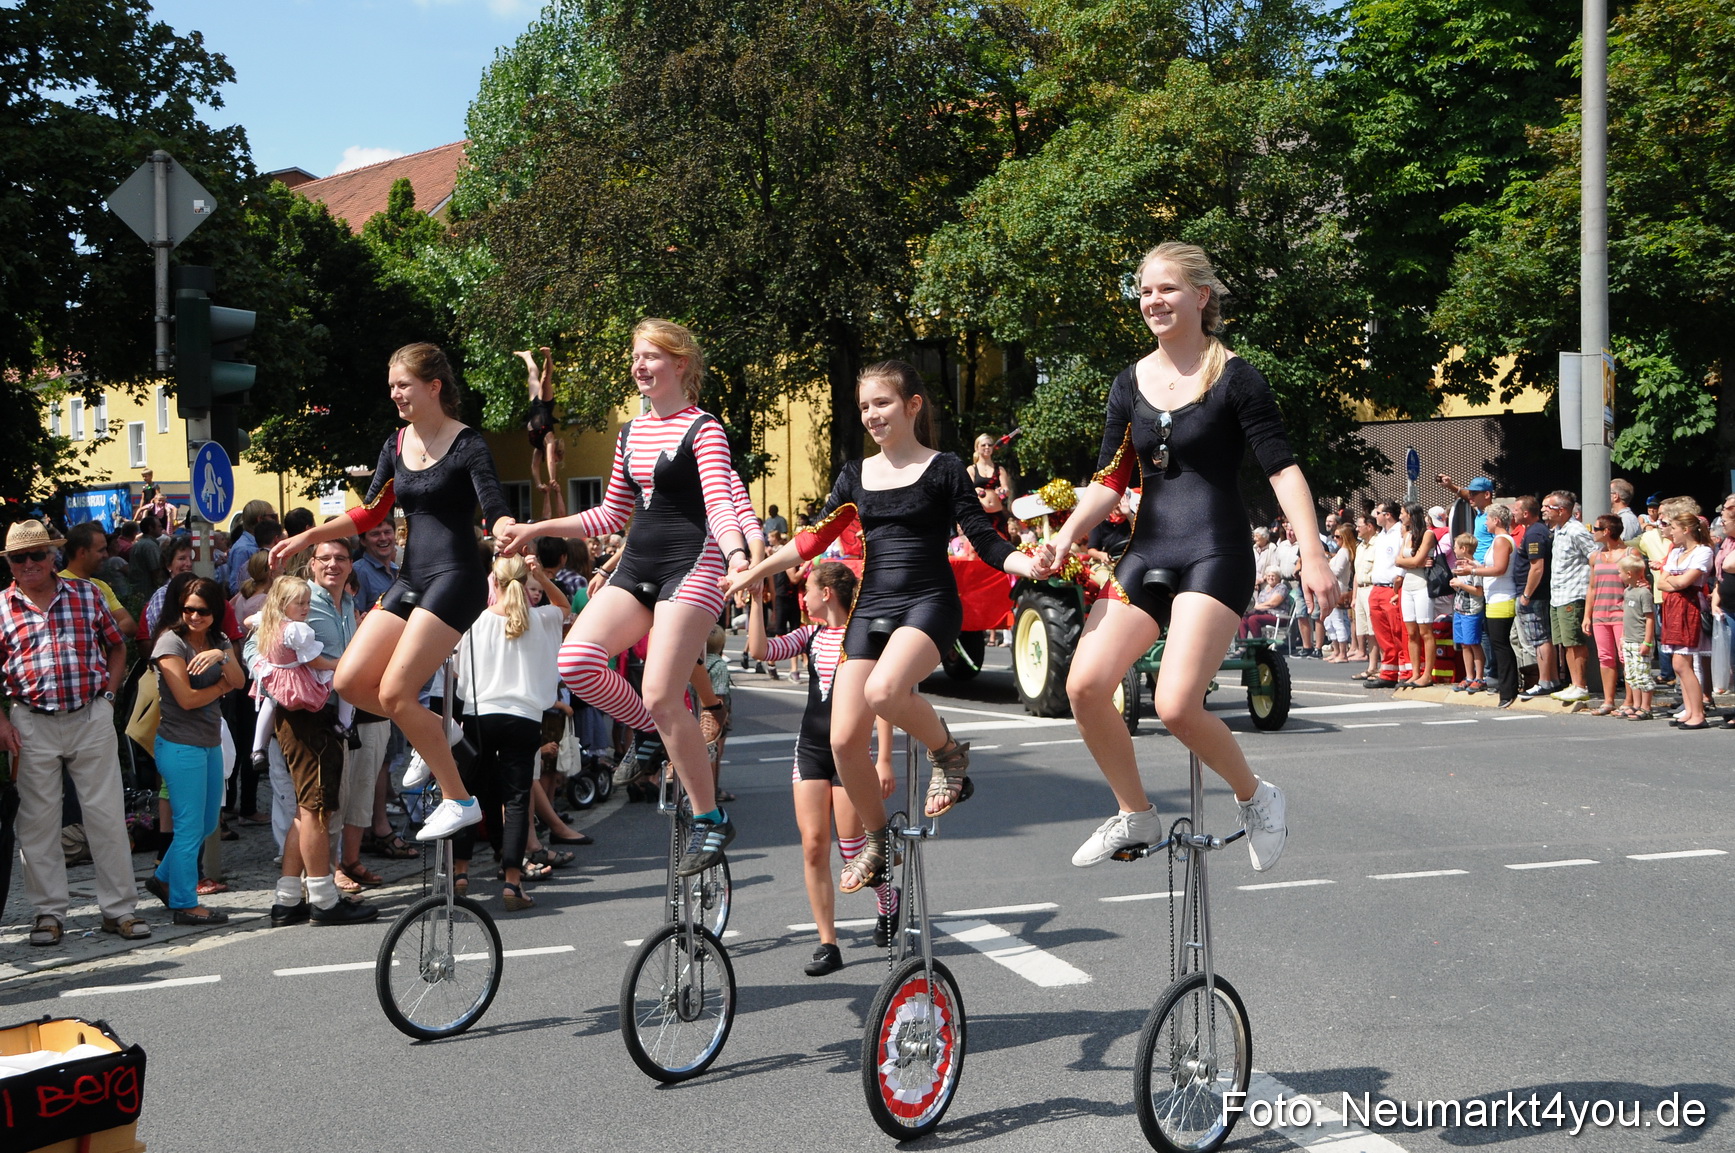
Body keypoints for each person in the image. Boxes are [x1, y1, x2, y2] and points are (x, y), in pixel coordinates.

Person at [1043, 242, 1332, 871]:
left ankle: (1257, 796)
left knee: (1175, 705)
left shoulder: (1236, 376)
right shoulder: (1130, 382)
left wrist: (1312, 553)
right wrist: (1068, 534)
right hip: (1148, 550)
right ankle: (1134, 812)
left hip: (1215, 551)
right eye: (1145, 291)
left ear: (1202, 296)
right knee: (1085, 685)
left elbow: (1282, 470)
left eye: (1167, 289)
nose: (1153, 301)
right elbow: (1109, 477)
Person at [724, 358, 1047, 892]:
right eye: (865, 407)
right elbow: (811, 539)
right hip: (872, 606)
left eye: (883, 403)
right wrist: (754, 572)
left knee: (885, 690)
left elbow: (985, 541)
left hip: (929, 604)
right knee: (842, 737)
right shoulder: (855, 474)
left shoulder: (945, 468)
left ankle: (948, 752)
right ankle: (877, 841)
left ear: (912, 405)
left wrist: (1025, 563)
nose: (872, 415)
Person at [496, 319, 748, 877]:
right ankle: (654, 735)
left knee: (661, 690)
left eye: (651, 356)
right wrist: (537, 530)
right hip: (640, 562)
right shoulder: (630, 434)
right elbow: (610, 515)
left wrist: (734, 555)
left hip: (696, 562)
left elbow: (721, 505)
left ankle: (710, 820)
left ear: (680, 364)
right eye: (635, 357)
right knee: (577, 659)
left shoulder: (704, 429)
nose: (639, 366)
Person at [269, 342, 517, 846]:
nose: (395, 395)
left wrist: (510, 527)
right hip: (412, 576)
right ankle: (437, 733)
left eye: (403, 385)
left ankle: (460, 800)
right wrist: (310, 535)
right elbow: (370, 512)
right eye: (391, 387)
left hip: (457, 577)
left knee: (396, 693)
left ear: (433, 387)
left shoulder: (468, 444)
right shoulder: (396, 443)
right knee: (351, 681)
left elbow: (494, 504)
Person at [0, 520, 149, 946]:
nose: (29, 563)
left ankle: (119, 911)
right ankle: (48, 914)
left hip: (89, 716)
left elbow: (117, 643)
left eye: (36, 555)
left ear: (53, 557)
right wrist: (3, 723)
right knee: (36, 824)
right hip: (29, 722)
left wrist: (109, 698)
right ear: (9, 563)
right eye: (18, 557)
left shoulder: (86, 594)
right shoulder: (0, 607)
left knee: (105, 817)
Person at [746, 561, 896, 975]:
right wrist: (757, 602)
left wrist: (883, 758)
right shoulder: (810, 635)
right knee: (814, 844)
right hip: (810, 749)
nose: (803, 596)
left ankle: (887, 898)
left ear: (827, 593)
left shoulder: (863, 639)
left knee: (852, 852)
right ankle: (827, 943)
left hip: (850, 754)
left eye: (808, 589)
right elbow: (761, 651)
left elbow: (883, 703)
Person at [450, 554, 569, 911]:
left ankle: (460, 873)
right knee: (516, 799)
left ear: (495, 582)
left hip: (480, 714)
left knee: (467, 793)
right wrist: (541, 577)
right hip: (524, 716)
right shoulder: (542, 617)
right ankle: (513, 883)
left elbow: (458, 671)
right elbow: (562, 605)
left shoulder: (476, 620)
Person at [142, 576, 243, 925]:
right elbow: (186, 699)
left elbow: (241, 681)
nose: (194, 617)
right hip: (179, 745)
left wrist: (221, 655)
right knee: (187, 827)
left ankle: (161, 878)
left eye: (201, 611)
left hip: (209, 743)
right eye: (188, 609)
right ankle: (185, 903)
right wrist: (220, 684)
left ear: (215, 612)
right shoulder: (170, 642)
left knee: (205, 823)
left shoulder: (219, 640)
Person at [1657, 512, 1714, 729]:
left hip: (1690, 606)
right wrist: (1675, 581)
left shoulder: (1703, 551)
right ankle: (1690, 710)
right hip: (1673, 606)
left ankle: (1698, 713)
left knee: (1682, 662)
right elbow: (1662, 583)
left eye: (1674, 527)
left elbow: (1685, 581)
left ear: (1686, 529)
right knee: (1679, 663)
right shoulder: (1676, 552)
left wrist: (1674, 580)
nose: (1671, 531)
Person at [1538, 491, 1596, 702]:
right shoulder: (1559, 530)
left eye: (1547, 506)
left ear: (1561, 510)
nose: (1543, 510)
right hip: (1559, 595)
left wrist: (1591, 587)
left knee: (1574, 642)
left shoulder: (1575, 531)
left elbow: (1594, 557)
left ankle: (1581, 685)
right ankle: (1574, 683)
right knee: (1565, 642)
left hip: (1573, 594)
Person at [1581, 515, 1628, 715]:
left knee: (1626, 657)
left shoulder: (1629, 554)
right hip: (1600, 613)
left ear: (1607, 531)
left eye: (1596, 528)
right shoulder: (1595, 556)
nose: (1593, 532)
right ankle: (1609, 701)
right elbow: (1591, 588)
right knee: (1605, 657)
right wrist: (1587, 616)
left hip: (1622, 613)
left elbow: (1638, 583)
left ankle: (1629, 701)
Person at [1511, 496, 1557, 697]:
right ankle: (1552, 679)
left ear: (1526, 513)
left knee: (1539, 638)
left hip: (1534, 596)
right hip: (1535, 594)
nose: (1513, 513)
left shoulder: (1535, 533)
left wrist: (1526, 595)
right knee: (1542, 637)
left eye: (1516, 510)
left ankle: (1545, 681)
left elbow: (1537, 567)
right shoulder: (1535, 531)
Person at [58, 523, 137, 638]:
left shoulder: (101, 586)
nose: (106, 555)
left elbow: (129, 625)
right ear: (82, 553)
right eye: (101, 550)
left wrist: (97, 640)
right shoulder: (57, 586)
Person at [516, 347, 568, 521]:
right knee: (545, 378)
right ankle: (548, 356)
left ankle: (527, 356)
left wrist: (539, 483)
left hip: (534, 406)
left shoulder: (539, 447)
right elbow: (551, 461)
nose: (553, 459)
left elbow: (534, 466)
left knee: (532, 375)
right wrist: (552, 479)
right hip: (544, 405)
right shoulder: (549, 438)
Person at [1394, 502, 1440, 687]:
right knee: (1411, 632)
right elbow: (1398, 560)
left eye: (1403, 513)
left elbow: (1418, 560)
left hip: (1422, 585)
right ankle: (1414, 672)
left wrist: (1410, 561)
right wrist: (1412, 562)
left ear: (1412, 515)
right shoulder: (1408, 535)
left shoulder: (1428, 534)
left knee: (1425, 631)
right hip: (1408, 586)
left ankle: (1427, 674)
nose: (1400, 517)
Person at [1618, 554, 1658, 720]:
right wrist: (1623, 636)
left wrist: (1647, 642)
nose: (1618, 575)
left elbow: (1649, 618)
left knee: (1643, 675)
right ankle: (1636, 704)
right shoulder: (1627, 592)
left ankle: (1646, 707)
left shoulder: (1644, 593)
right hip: (1629, 640)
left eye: (1620, 572)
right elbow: (1627, 616)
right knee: (1632, 674)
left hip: (1641, 640)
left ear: (1629, 574)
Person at [1448, 533, 1485, 691]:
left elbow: (1478, 591)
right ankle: (1469, 676)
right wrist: (1456, 584)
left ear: (1464, 548)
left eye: (1455, 547)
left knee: (1473, 643)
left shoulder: (1474, 567)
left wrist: (1461, 585)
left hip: (1471, 610)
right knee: (1464, 644)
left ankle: (1480, 677)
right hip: (1459, 609)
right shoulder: (1460, 567)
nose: (1454, 549)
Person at [224, 500, 278, 595]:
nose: (276, 521)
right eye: (273, 517)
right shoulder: (243, 549)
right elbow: (236, 586)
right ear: (260, 519)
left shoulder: (253, 545)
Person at [1351, 512, 1379, 676]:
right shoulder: (1360, 546)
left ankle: (1381, 667)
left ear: (1369, 526)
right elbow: (1356, 573)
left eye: (1359, 526)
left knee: (1376, 629)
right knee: (1366, 631)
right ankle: (1372, 666)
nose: (1357, 529)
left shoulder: (1378, 544)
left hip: (1372, 588)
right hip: (1361, 590)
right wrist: (1354, 597)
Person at [354, 517, 400, 611]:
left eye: (387, 532)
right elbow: (356, 616)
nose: (383, 538)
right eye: (375, 534)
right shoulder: (358, 572)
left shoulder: (396, 570)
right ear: (363, 541)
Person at [1239, 570, 1287, 640]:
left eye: (1273, 576)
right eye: (1268, 576)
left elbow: (1273, 603)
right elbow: (1257, 604)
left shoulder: (1281, 588)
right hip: (1264, 615)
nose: (1270, 578)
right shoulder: (1264, 590)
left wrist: (1256, 607)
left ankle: (1258, 645)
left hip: (1278, 616)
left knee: (1253, 619)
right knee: (1243, 618)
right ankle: (1242, 645)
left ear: (1278, 578)